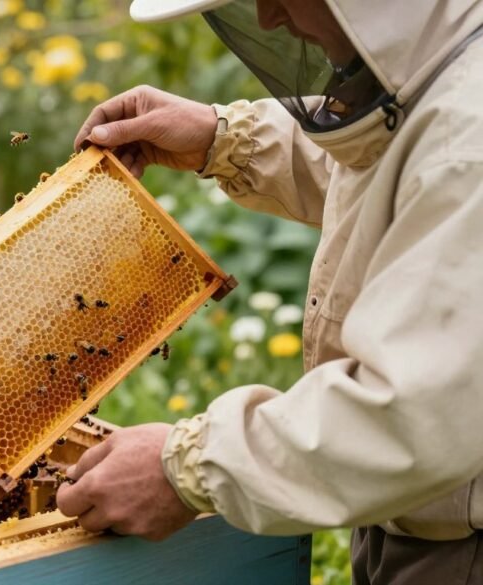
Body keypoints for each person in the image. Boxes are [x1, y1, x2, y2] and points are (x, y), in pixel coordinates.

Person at [54, 0, 483, 582]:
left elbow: (412, 415)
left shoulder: (469, 144)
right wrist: (223, 138)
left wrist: (189, 468)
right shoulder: (448, 80)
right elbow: (390, 165)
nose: (266, 19)